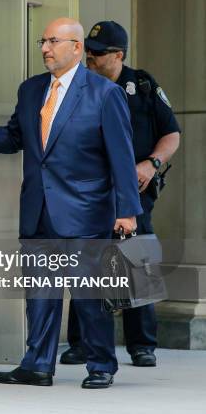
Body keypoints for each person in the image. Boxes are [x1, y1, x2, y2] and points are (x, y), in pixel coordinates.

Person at [0, 18, 142, 389]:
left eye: (53, 41)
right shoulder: (31, 90)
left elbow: (122, 157)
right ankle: (37, 365)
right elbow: (13, 137)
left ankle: (101, 364)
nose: (44, 48)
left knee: (89, 296)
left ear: (76, 47)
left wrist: (127, 211)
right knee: (40, 294)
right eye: (43, 41)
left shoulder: (104, 94)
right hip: (38, 209)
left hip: (86, 212)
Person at [59, 21, 181, 368]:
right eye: (89, 51)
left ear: (118, 55)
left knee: (136, 259)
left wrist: (151, 164)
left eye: (98, 53)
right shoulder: (80, 88)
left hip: (133, 191)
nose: (91, 59)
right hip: (90, 192)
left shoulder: (142, 86)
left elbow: (171, 134)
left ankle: (142, 344)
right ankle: (82, 342)